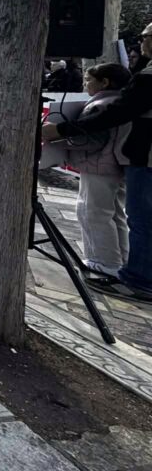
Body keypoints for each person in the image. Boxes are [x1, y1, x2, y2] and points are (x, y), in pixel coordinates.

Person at [43, 22, 152, 303]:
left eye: (145, 36)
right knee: (122, 216)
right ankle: (124, 265)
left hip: (121, 162)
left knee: (104, 214)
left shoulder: (139, 83)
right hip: (128, 161)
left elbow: (104, 126)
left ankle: (118, 270)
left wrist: (61, 133)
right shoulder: (134, 83)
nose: (141, 41)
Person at [63, 63, 133, 278]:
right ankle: (120, 258)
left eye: (89, 80)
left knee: (92, 212)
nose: (85, 85)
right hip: (117, 165)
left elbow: (91, 140)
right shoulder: (123, 102)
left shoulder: (99, 106)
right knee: (115, 214)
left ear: (105, 82)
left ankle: (103, 261)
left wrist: (64, 138)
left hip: (98, 165)